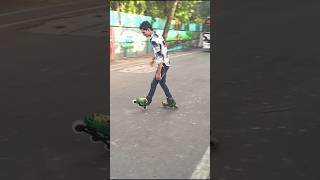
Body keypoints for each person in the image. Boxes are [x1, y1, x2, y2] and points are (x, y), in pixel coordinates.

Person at [139, 21, 176, 107]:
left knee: (154, 83)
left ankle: (148, 100)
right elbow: (160, 50)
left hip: (163, 64)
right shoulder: (157, 35)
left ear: (148, 30)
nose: (143, 34)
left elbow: (159, 56)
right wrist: (153, 59)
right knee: (162, 83)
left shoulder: (153, 40)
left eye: (143, 32)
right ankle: (170, 100)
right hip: (166, 62)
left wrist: (159, 72)